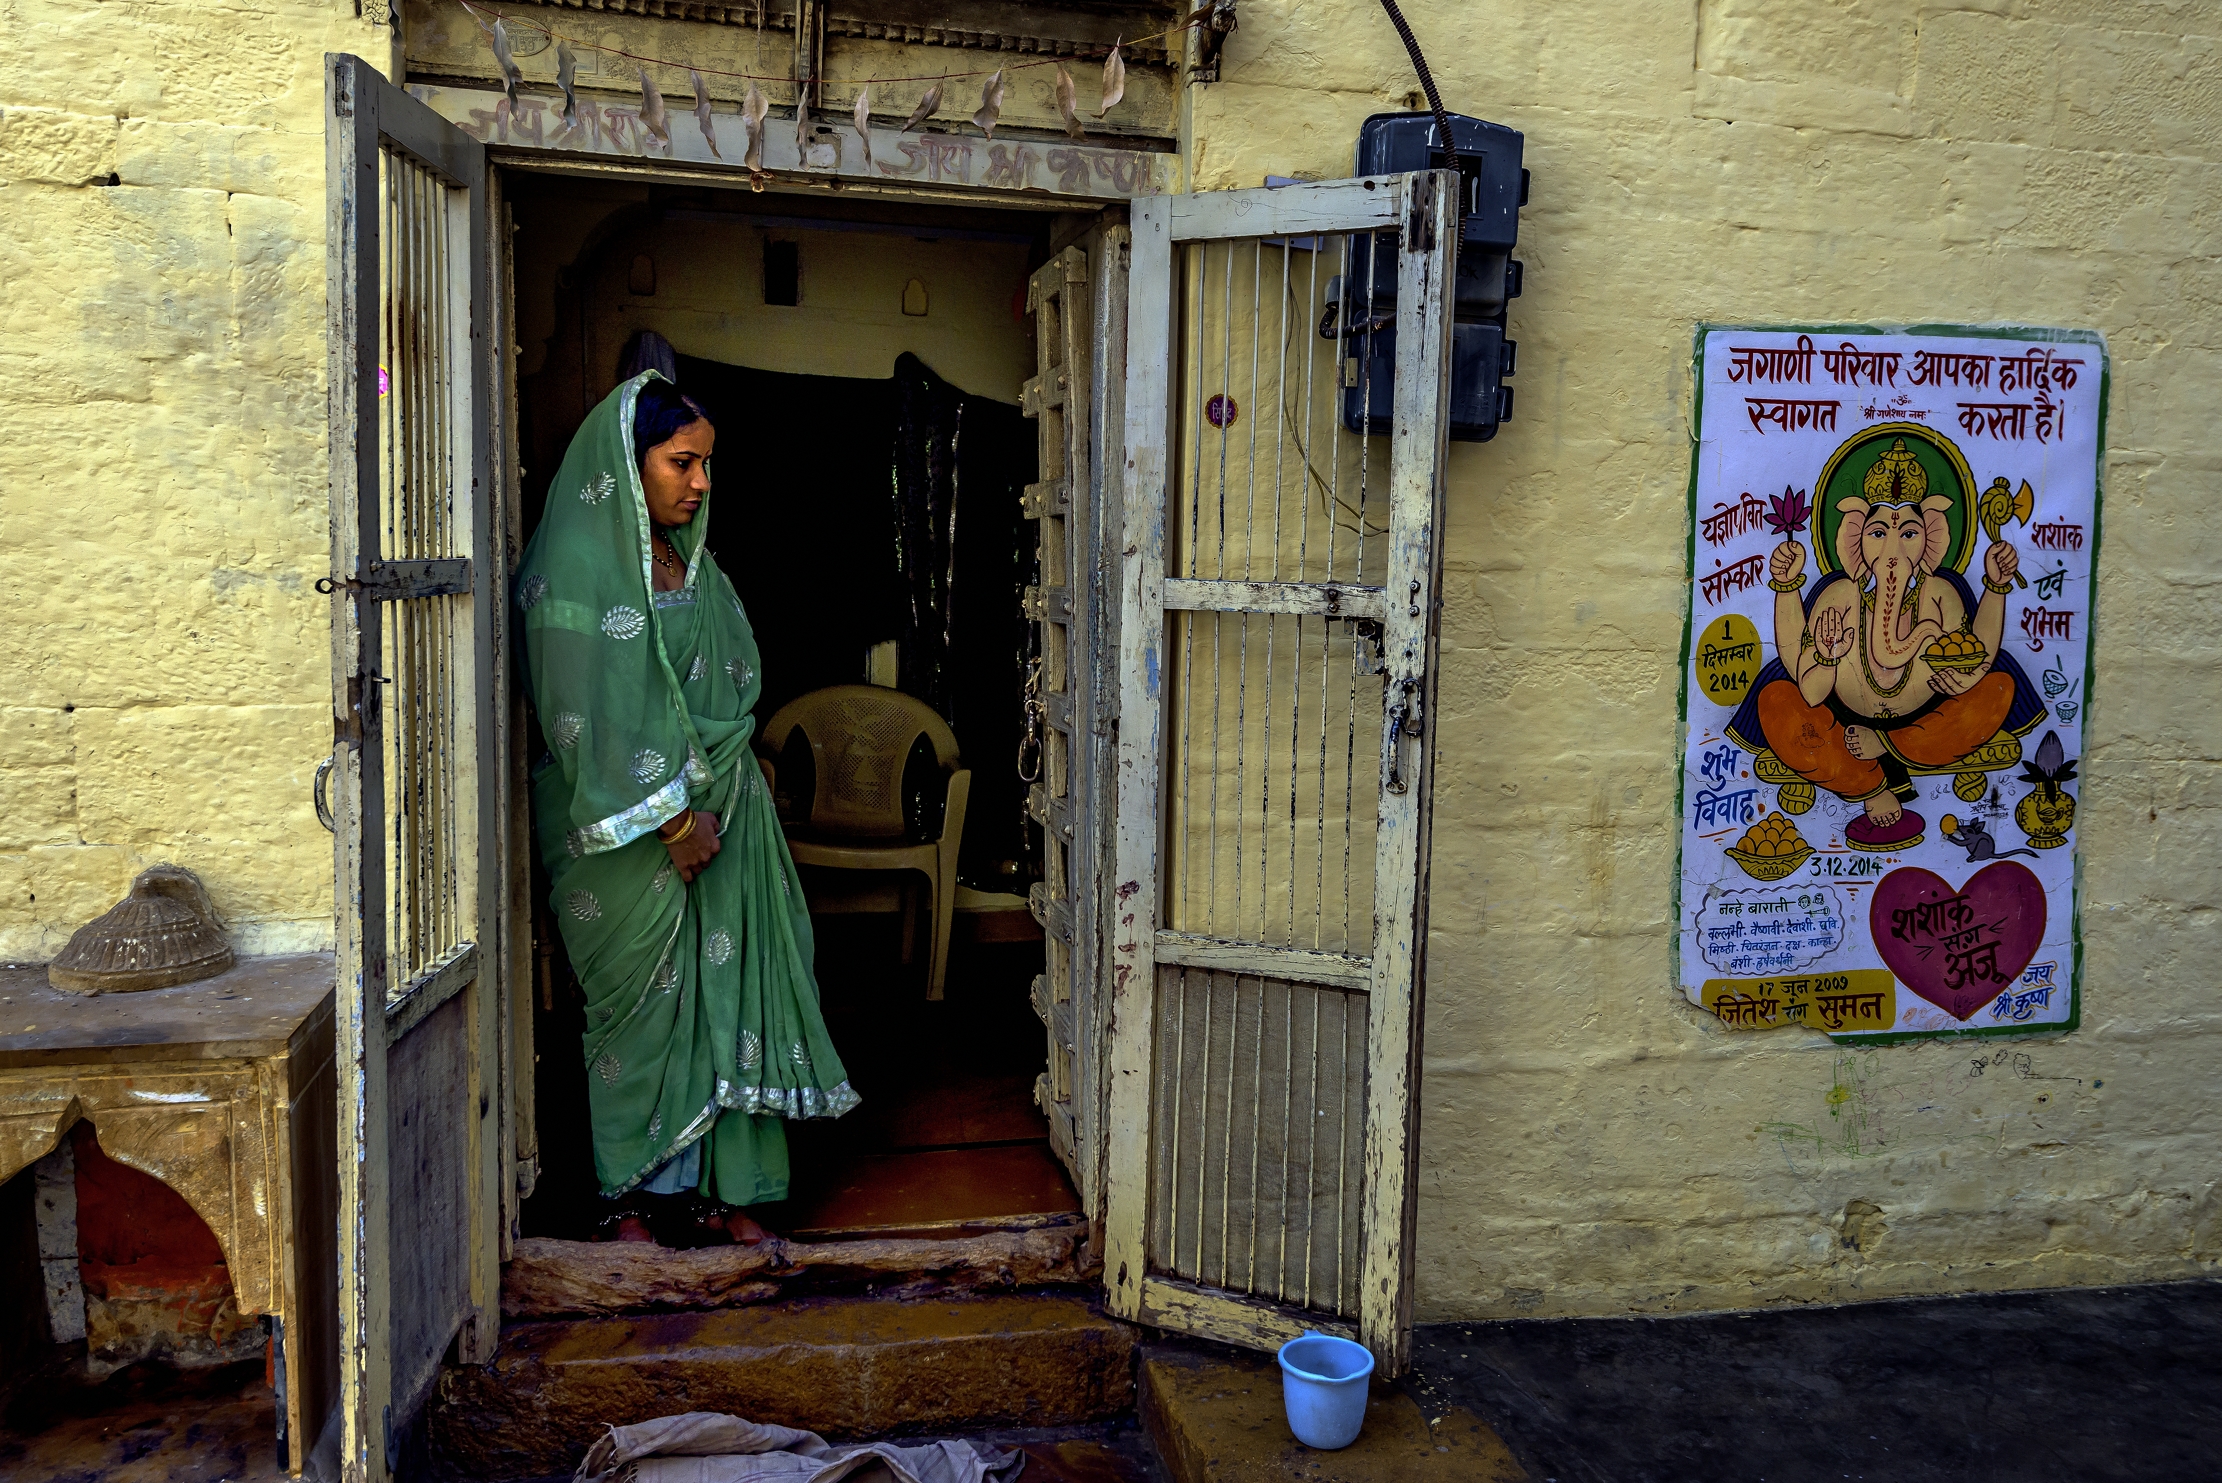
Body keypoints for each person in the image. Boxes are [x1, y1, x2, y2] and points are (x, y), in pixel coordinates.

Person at [515, 371, 857, 1245]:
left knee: (721, 1005)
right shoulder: (576, 567)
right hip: (627, 842)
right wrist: (671, 821)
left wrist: (723, 793)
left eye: (707, 464)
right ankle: (628, 1200)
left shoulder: (690, 563)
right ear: (627, 464)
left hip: (722, 823)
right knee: (639, 1016)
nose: (700, 482)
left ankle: (721, 1195)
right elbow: (579, 710)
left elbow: (729, 683)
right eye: (680, 462)